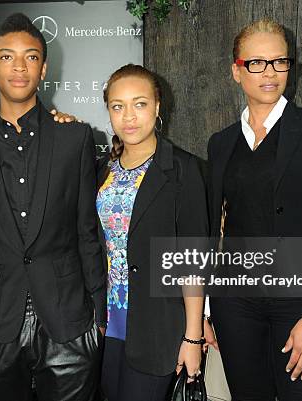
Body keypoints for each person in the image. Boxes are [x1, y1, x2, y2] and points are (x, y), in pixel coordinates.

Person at [0, 13, 105, 401]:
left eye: (30, 57)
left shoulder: (75, 136)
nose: (19, 66)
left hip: (67, 318)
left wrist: (99, 314)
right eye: (6, 57)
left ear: (44, 67)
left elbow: (87, 231)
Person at [205, 18, 302, 401]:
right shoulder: (221, 143)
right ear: (236, 71)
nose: (269, 73)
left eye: (279, 61)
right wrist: (207, 310)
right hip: (236, 305)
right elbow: (213, 231)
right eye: (256, 63)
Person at [97, 64, 209, 401]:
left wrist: (193, 337)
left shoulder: (183, 170)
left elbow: (192, 259)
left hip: (159, 327)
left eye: (140, 104)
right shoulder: (101, 168)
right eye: (118, 106)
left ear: (158, 107)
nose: (128, 116)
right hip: (106, 325)